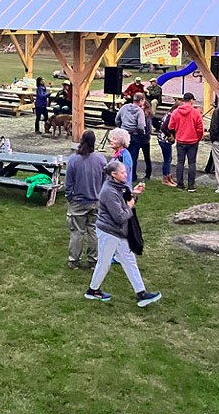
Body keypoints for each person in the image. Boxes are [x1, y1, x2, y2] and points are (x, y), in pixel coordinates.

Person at [84, 160, 161, 307]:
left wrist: (134, 194)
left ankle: (141, 294)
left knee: (129, 261)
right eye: (123, 172)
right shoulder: (108, 192)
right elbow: (120, 216)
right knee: (104, 263)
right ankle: (92, 291)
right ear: (114, 174)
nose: (126, 174)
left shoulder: (121, 186)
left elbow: (126, 201)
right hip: (109, 232)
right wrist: (130, 206)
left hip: (120, 232)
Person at [64, 130, 105, 270]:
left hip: (78, 202)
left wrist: (70, 197)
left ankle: (73, 260)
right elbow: (104, 181)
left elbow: (68, 183)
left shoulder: (73, 160)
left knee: (77, 232)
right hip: (95, 201)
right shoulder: (101, 160)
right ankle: (93, 261)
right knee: (93, 230)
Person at [168, 92, 205, 192]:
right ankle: (191, 185)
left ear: (183, 100)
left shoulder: (176, 112)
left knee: (180, 162)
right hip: (193, 141)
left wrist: (177, 131)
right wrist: (199, 137)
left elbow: (170, 126)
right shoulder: (196, 112)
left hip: (180, 140)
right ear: (192, 100)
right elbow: (200, 127)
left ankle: (180, 184)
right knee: (192, 163)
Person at [115, 93, 146, 177]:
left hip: (124, 134)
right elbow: (141, 126)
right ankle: (131, 175)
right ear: (141, 100)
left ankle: (120, 173)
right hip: (134, 135)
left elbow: (117, 119)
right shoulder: (140, 111)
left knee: (122, 155)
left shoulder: (124, 107)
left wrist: (121, 128)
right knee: (133, 156)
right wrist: (142, 134)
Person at [156, 99, 181, 187]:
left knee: (168, 158)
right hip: (164, 140)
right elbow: (163, 128)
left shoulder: (168, 114)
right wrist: (170, 135)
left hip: (162, 139)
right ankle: (165, 178)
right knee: (167, 159)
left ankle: (168, 176)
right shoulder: (171, 116)